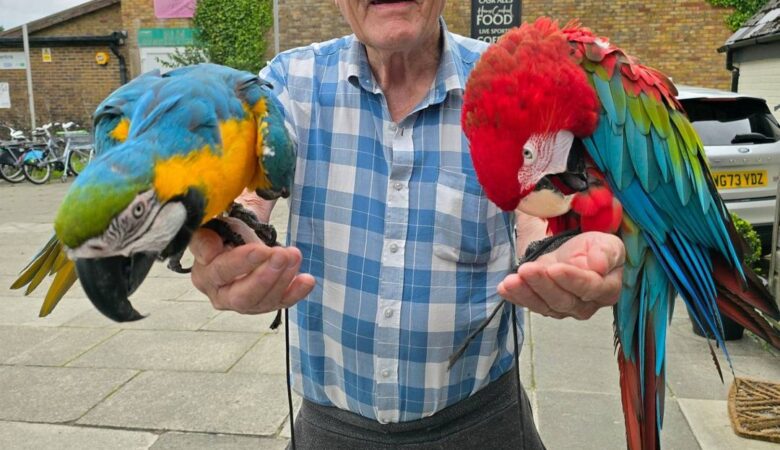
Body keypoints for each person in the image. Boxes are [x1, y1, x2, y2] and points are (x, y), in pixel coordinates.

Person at [189, 1, 625, 448]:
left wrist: (553, 257)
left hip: (485, 424)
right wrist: (229, 242)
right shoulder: (291, 82)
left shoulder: (505, 82)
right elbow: (248, 188)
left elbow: (532, 213)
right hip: (330, 429)